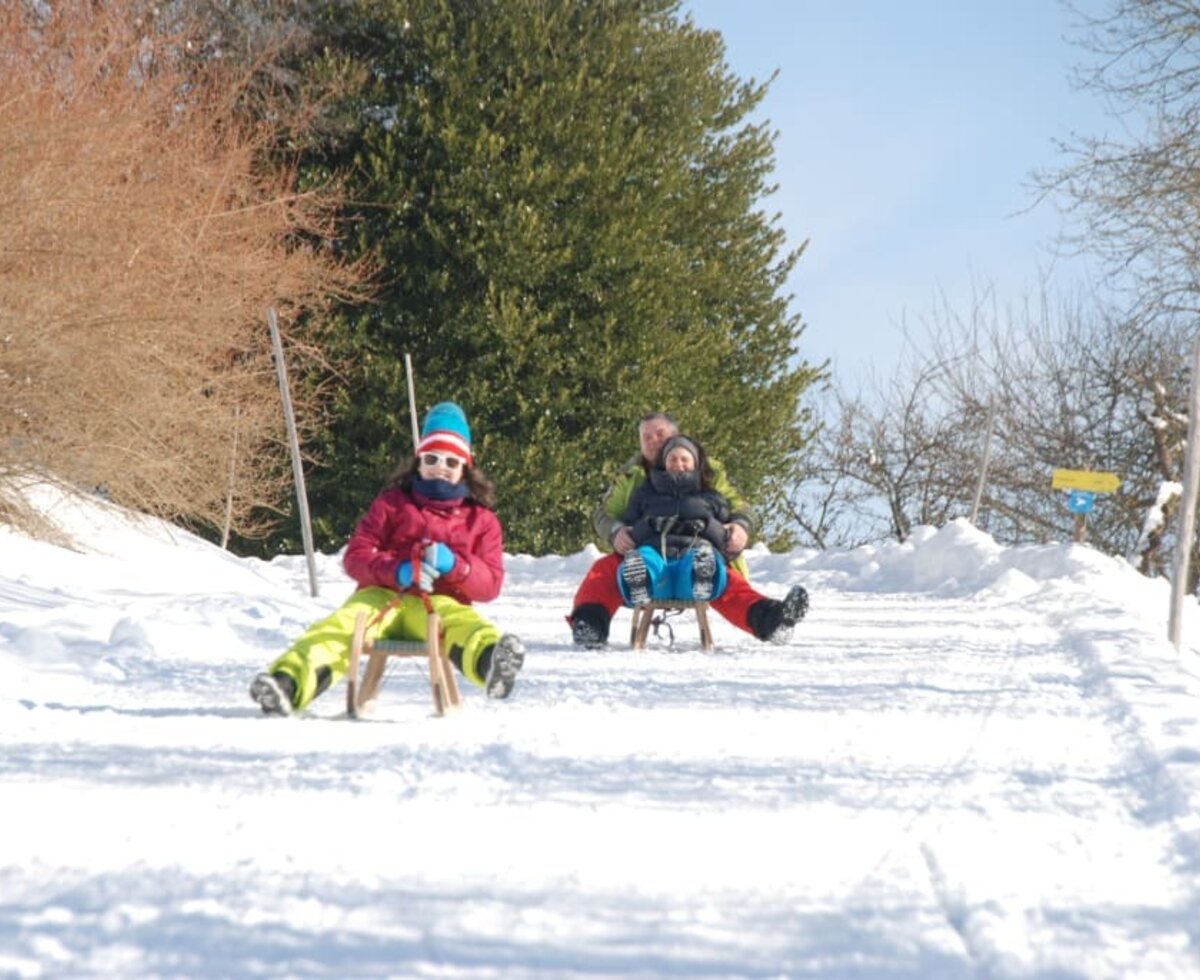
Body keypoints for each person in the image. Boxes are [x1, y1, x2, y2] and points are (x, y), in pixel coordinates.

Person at [250, 401, 525, 715]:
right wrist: (397, 571)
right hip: (382, 597)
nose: (440, 467)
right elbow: (356, 556)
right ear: (418, 462)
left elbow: (490, 584)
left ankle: (491, 663)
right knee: (341, 626)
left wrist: (456, 566)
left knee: (463, 623)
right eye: (432, 458)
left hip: (438, 602)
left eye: (451, 461)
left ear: (465, 468)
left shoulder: (481, 520)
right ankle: (288, 684)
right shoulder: (392, 504)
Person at [568, 412, 808, 646]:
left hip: (698, 551)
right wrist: (617, 531)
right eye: (646, 437)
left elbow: (739, 506)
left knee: (721, 578)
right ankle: (590, 624)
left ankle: (771, 621)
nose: (653, 441)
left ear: (676, 436)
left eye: (659, 434)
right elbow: (604, 513)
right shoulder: (633, 477)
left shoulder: (707, 473)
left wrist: (739, 527)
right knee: (605, 571)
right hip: (649, 550)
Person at [617, 434, 731, 605]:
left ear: (695, 463)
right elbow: (630, 531)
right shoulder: (645, 494)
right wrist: (651, 525)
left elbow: (725, 537)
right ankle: (641, 583)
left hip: (692, 552)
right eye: (673, 459)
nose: (679, 464)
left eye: (685, 459)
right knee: (644, 556)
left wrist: (704, 526)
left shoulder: (711, 497)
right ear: (664, 463)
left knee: (700, 558)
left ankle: (701, 579)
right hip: (657, 557)